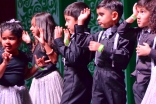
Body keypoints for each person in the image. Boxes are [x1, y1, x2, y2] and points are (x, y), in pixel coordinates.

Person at [75, 0, 135, 104]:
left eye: (101, 14)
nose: (98, 18)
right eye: (98, 15)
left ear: (114, 15)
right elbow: (81, 42)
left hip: (113, 75)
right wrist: (80, 23)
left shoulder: (124, 35)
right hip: (98, 74)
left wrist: (102, 48)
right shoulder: (99, 35)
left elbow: (123, 57)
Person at [117, 0, 156, 104]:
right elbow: (121, 31)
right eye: (137, 12)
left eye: (142, 12)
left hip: (152, 82)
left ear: (153, 14)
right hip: (139, 81)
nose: (138, 16)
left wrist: (149, 51)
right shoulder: (139, 32)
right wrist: (133, 15)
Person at [54, 2, 93, 104]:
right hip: (76, 79)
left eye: (68, 20)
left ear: (80, 19)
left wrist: (59, 41)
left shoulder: (82, 36)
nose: (66, 24)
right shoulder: (80, 36)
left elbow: (73, 58)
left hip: (76, 80)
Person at [22, 12, 63, 104]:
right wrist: (29, 43)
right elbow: (35, 58)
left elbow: (54, 60)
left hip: (49, 80)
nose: (31, 28)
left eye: (33, 25)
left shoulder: (51, 41)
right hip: (38, 80)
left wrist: (44, 43)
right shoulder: (38, 42)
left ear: (41, 26)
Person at [0, 19, 34, 104]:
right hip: (5, 94)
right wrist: (4, 63)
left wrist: (37, 66)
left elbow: (25, 76)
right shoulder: (1, 55)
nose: (7, 42)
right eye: (4, 38)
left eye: (11, 38)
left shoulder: (23, 56)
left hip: (21, 93)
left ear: (19, 40)